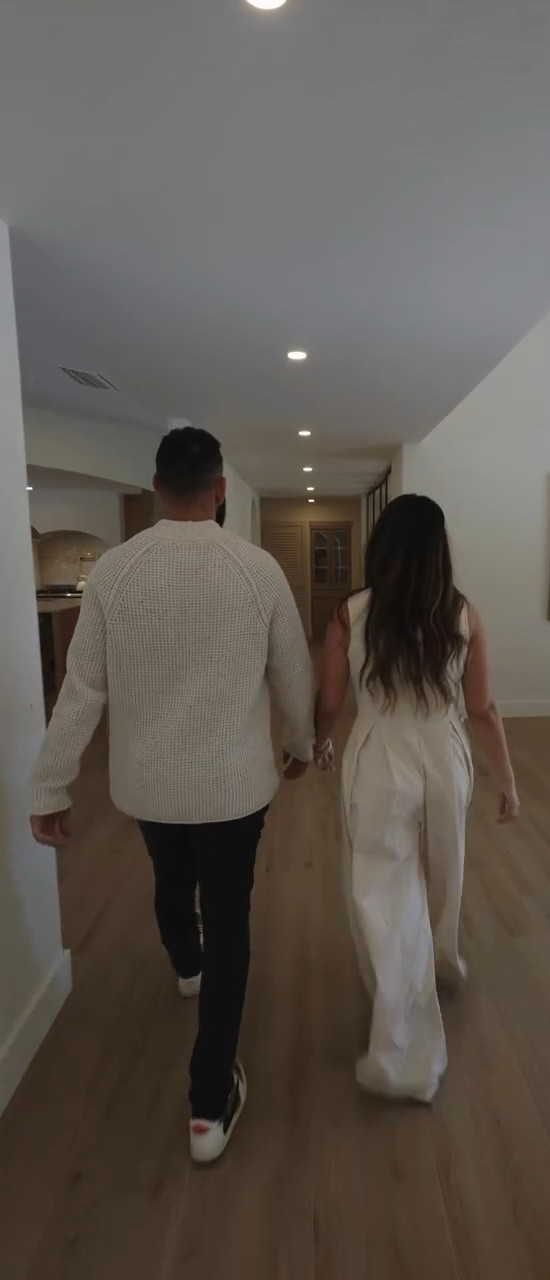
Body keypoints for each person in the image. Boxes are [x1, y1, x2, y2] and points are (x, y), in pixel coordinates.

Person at [31, 427, 314, 1163]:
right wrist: (301, 747)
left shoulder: (115, 572)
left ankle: (187, 966)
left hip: (149, 785)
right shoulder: (257, 569)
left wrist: (51, 784)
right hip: (234, 788)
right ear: (219, 490)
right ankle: (208, 1106)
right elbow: (293, 675)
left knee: (170, 877)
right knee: (231, 920)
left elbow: (81, 689)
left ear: (157, 488)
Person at [314, 494, 519, 1103]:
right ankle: (442, 959)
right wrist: (508, 778)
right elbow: (481, 708)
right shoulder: (463, 614)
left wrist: (319, 742)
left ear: (382, 545)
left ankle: (398, 1029)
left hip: (378, 755)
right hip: (444, 752)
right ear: (439, 551)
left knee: (381, 884)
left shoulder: (351, 613)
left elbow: (332, 700)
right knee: (446, 868)